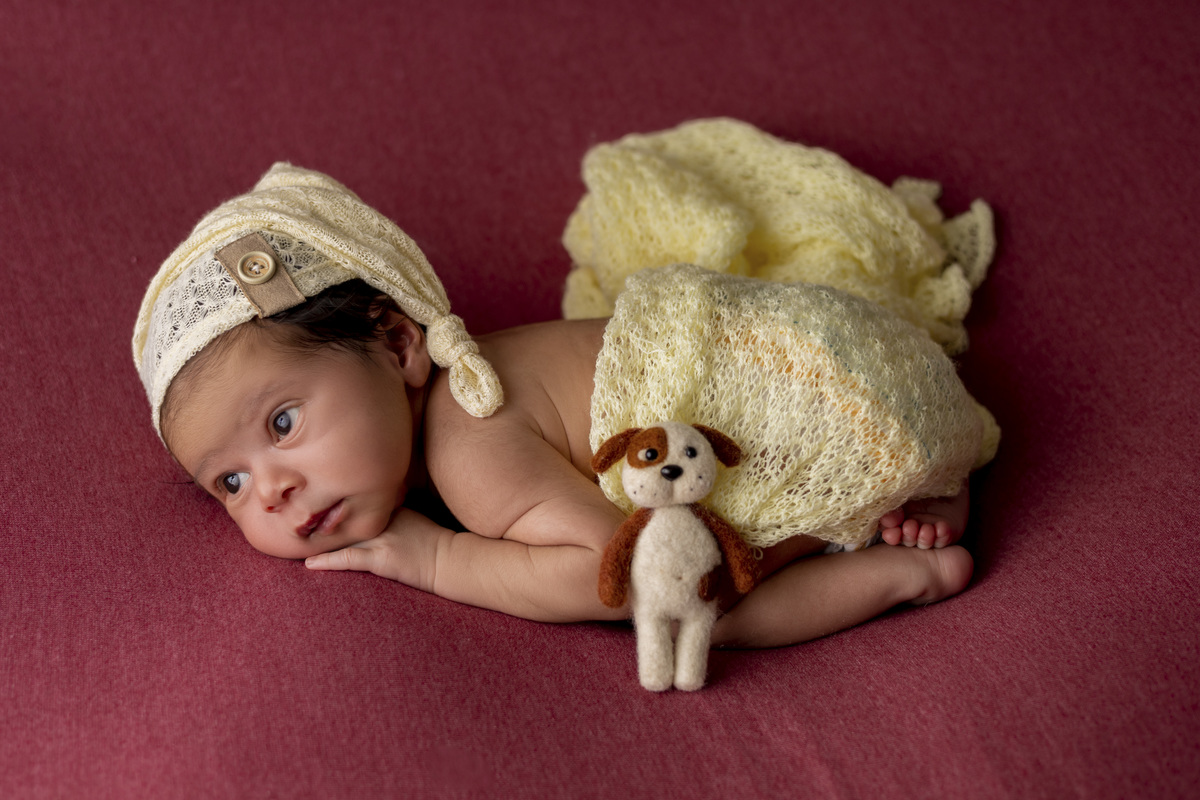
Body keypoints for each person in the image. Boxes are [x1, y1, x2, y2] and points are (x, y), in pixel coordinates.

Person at [133, 159, 993, 650]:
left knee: (691, 608)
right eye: (230, 484)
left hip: (814, 396)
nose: (272, 490)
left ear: (398, 345)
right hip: (845, 349)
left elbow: (605, 576)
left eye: (282, 425)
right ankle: (922, 479)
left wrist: (439, 563)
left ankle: (901, 563)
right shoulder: (485, 363)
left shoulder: (467, 442)